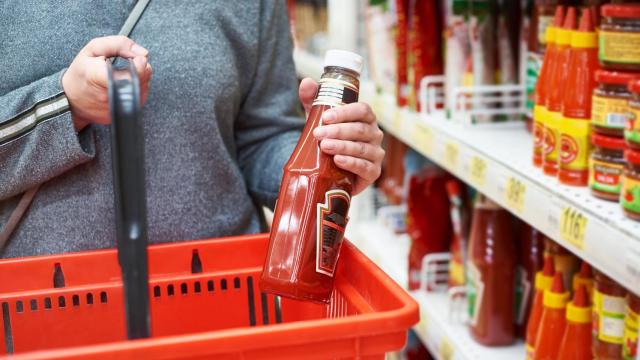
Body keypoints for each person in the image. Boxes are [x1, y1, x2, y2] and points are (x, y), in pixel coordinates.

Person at [0, 1, 384, 258]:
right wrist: (62, 106)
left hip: (222, 296)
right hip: (45, 306)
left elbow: (260, 136)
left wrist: (327, 160)